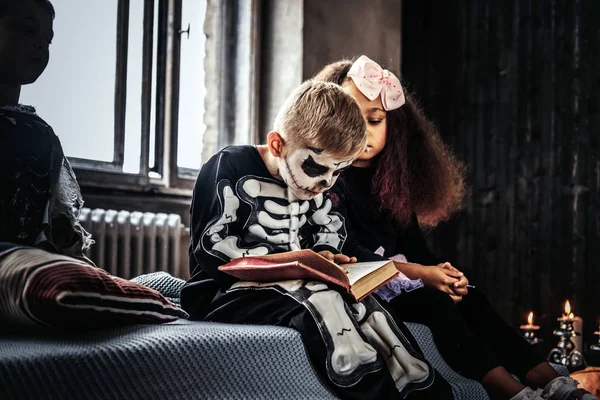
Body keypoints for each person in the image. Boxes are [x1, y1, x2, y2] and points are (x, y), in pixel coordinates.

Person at [314, 55, 598, 400]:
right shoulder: (325, 181)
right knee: (434, 304)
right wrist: (423, 275)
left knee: (471, 297)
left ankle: (553, 382)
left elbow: (414, 246)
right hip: (360, 287)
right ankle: (512, 392)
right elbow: (349, 255)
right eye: (351, 120)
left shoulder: (390, 182)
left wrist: (441, 272)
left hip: (404, 278)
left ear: (395, 126)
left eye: (374, 120)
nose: (363, 133)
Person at [181, 79, 454, 399]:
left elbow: (330, 230)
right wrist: (292, 263)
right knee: (322, 298)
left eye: (336, 173)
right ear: (277, 144)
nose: (323, 184)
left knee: (369, 307)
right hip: (220, 292)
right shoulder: (229, 164)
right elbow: (212, 250)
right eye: (314, 167)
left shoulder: (315, 187)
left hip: (290, 283)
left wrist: (327, 253)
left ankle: (427, 391)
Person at [0, 0, 92, 260]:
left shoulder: (40, 135)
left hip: (29, 277)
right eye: (27, 31)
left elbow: (59, 233)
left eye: (47, 40)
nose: (41, 45)